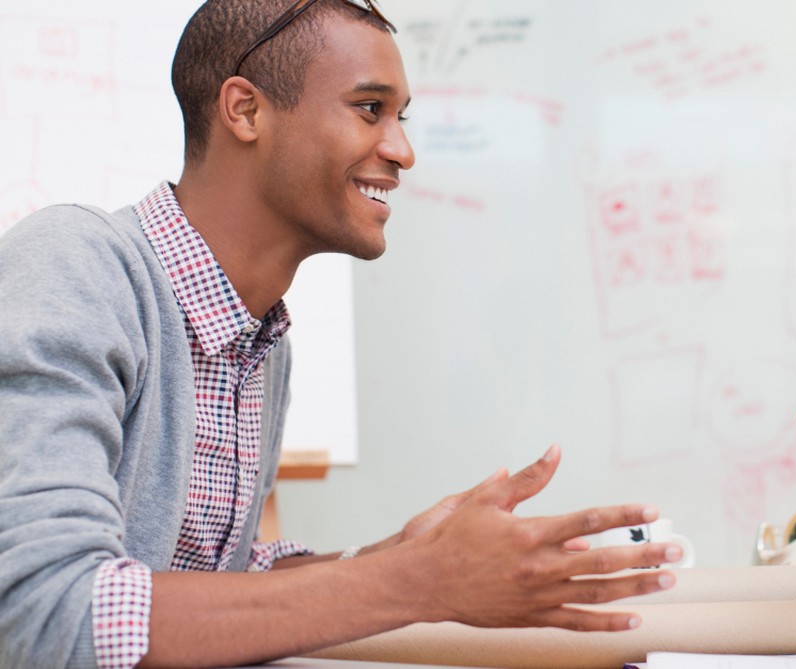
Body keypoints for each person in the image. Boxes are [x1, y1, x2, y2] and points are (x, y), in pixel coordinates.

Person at [0, 1, 680, 667]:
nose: (402, 150)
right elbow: (45, 609)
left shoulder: (262, 339)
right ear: (246, 110)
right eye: (369, 108)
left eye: (399, 117)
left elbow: (215, 582)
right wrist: (416, 580)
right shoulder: (75, 266)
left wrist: (396, 555)